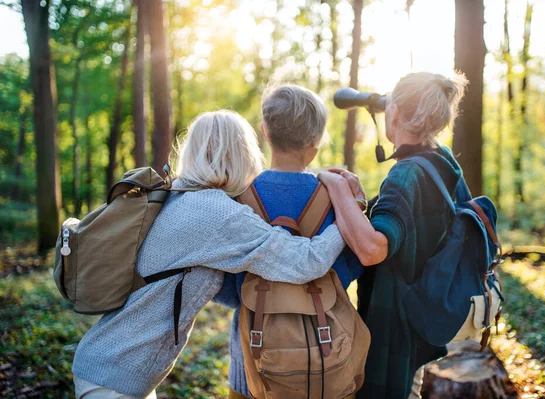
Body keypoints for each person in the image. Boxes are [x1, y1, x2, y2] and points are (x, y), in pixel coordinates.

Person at [71, 110, 356, 399]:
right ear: (241, 153)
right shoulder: (215, 213)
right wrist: (349, 213)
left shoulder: (176, 195)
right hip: (116, 379)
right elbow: (305, 262)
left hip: (111, 368)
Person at [319, 71, 468, 399]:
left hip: (394, 330)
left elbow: (374, 249)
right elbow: (409, 225)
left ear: (396, 113)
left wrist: (336, 187)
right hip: (420, 320)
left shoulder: (406, 173)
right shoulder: (441, 162)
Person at [213, 84, 367, 399]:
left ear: (264, 132)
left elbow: (226, 285)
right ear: (318, 138)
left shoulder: (237, 196)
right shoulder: (335, 196)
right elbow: (351, 266)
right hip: (327, 360)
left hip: (254, 361)